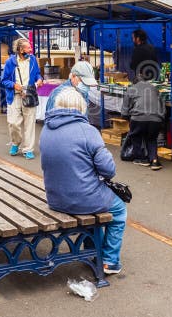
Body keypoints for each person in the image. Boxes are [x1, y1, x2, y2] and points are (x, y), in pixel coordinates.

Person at [40, 87, 127, 275]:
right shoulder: (88, 131)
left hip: (55, 199)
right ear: (81, 107)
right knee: (119, 211)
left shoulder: (46, 129)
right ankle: (110, 261)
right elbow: (109, 170)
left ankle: (91, 251)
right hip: (84, 199)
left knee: (92, 203)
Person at [0, 38, 42, 159]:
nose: (30, 49)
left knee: (30, 123)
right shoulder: (10, 62)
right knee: (13, 122)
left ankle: (28, 149)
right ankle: (15, 143)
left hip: (29, 94)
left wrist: (39, 79)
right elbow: (4, 80)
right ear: (20, 49)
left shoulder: (33, 60)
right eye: (28, 47)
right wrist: (14, 85)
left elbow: (38, 74)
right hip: (14, 95)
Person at [121, 74, 165, 170]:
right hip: (156, 119)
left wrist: (128, 118)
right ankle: (154, 161)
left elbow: (124, 110)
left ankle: (142, 158)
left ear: (134, 82)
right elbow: (162, 107)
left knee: (135, 136)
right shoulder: (154, 88)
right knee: (152, 138)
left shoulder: (131, 89)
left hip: (138, 117)